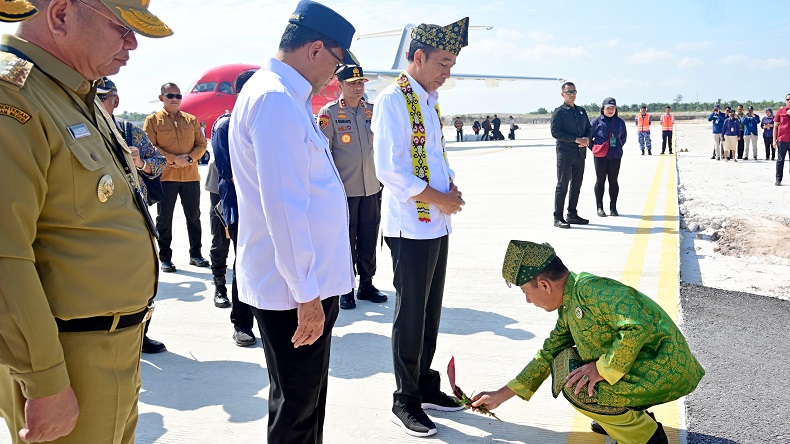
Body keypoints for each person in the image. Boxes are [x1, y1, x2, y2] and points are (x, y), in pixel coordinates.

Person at [0, 1, 172, 443]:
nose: (131, 43)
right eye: (121, 28)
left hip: (113, 347)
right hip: (66, 360)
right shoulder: (12, 97)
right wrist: (45, 381)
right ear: (60, 15)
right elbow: (5, 255)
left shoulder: (75, 95)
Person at [227, 1, 357, 442]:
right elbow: (283, 206)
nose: (335, 76)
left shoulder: (284, 96)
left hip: (304, 284)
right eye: (338, 62)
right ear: (317, 49)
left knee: (305, 400)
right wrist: (306, 294)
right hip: (295, 289)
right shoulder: (276, 100)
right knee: (297, 409)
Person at [471, 240, 705, 444]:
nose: (528, 301)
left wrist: (601, 368)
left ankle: (645, 436)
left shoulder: (592, 290)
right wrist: (500, 395)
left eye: (526, 292)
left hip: (666, 367)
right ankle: (621, 416)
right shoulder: (571, 301)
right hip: (647, 367)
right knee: (565, 361)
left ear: (544, 285)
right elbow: (549, 353)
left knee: (577, 386)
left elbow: (636, 326)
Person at [372, 17, 468, 437]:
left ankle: (424, 384)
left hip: (436, 225)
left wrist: (450, 185)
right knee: (410, 315)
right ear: (418, 56)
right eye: (443, 63)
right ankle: (404, 399)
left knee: (430, 312)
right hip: (409, 226)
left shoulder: (427, 100)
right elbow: (389, 171)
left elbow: (431, 155)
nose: (447, 73)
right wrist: (439, 196)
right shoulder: (393, 99)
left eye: (451, 65)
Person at [97, 77, 168, 355]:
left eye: (101, 97)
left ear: (115, 101)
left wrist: (140, 162)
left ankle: (141, 332)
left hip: (133, 216)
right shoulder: (76, 128)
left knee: (141, 279)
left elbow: (159, 163)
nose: (96, 102)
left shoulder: (128, 131)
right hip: (95, 220)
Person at [318, 65, 388, 310]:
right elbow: (322, 154)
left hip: (371, 187)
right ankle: (345, 287)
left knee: (369, 237)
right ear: (340, 85)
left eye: (361, 83)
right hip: (344, 192)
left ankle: (366, 283)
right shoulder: (331, 113)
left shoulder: (372, 111)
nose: (358, 87)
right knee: (345, 240)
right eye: (353, 83)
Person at [211, 70, 257, 347]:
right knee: (246, 263)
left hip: (267, 206)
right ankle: (241, 323)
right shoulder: (226, 125)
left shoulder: (264, 122)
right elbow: (229, 172)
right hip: (240, 208)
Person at [144, 83, 209, 273]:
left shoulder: (191, 120)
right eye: (170, 95)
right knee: (164, 218)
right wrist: (174, 160)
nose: (174, 99)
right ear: (161, 97)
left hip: (190, 176)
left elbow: (202, 144)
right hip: (166, 177)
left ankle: (196, 255)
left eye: (178, 96)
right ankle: (165, 258)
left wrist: (188, 159)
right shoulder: (153, 120)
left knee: (194, 217)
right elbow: (150, 147)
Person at [550, 81, 591, 229]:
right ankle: (558, 217)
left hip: (580, 153)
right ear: (562, 94)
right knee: (562, 185)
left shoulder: (581, 111)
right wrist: (575, 139)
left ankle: (572, 214)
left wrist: (587, 139)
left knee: (576, 185)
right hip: (565, 153)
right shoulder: (559, 112)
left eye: (574, 91)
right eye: (569, 92)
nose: (572, 94)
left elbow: (589, 128)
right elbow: (556, 133)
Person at [589, 98, 627, 218]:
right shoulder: (596, 122)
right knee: (600, 181)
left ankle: (613, 207)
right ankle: (599, 207)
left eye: (613, 108)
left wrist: (616, 148)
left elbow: (623, 138)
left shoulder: (620, 122)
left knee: (613, 181)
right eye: (608, 108)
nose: (610, 110)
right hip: (600, 157)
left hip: (615, 156)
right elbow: (588, 138)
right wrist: (596, 149)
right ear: (603, 108)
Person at [774, 94, 790, 186]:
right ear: (785, 100)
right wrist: (774, 140)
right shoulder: (780, 112)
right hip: (782, 140)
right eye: (788, 99)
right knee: (780, 160)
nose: (789, 101)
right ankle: (778, 179)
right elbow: (775, 127)